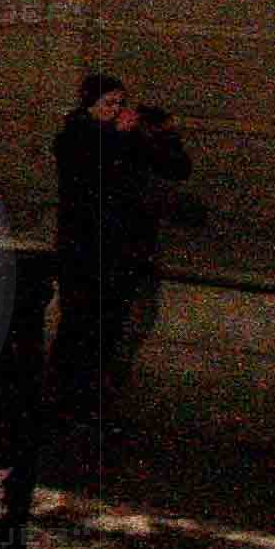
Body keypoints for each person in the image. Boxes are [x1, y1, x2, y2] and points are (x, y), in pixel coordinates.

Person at [52, 74, 191, 423]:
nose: (116, 111)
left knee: (110, 324)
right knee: (78, 321)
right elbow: (92, 169)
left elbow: (176, 168)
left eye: (120, 104)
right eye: (108, 104)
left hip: (122, 251)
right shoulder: (76, 136)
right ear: (90, 105)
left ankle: (91, 394)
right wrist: (122, 134)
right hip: (83, 249)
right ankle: (62, 393)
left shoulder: (124, 139)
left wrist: (164, 134)